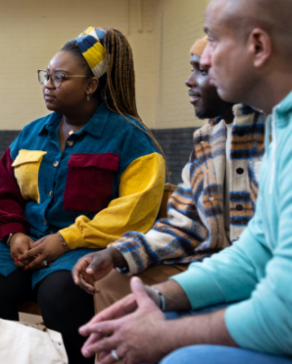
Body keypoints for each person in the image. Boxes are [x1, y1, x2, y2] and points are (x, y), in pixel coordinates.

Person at [79, 0, 292, 364]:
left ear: (258, 45)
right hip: (279, 302)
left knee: (181, 358)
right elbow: (254, 252)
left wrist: (166, 337)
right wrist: (158, 301)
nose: (204, 61)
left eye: (212, 39)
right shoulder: (290, 119)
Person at [0, 27, 166, 364]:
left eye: (60, 77)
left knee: (60, 291)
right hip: (27, 241)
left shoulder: (130, 139)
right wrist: (14, 233)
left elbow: (133, 213)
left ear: (91, 85)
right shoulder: (32, 133)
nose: (48, 84)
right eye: (47, 76)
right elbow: (6, 193)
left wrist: (65, 239)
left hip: (84, 248)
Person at [72, 36, 266, 313]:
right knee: (112, 282)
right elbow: (184, 225)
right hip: (206, 263)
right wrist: (116, 253)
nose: (189, 81)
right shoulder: (207, 140)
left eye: (201, 70)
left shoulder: (277, 133)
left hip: (263, 276)